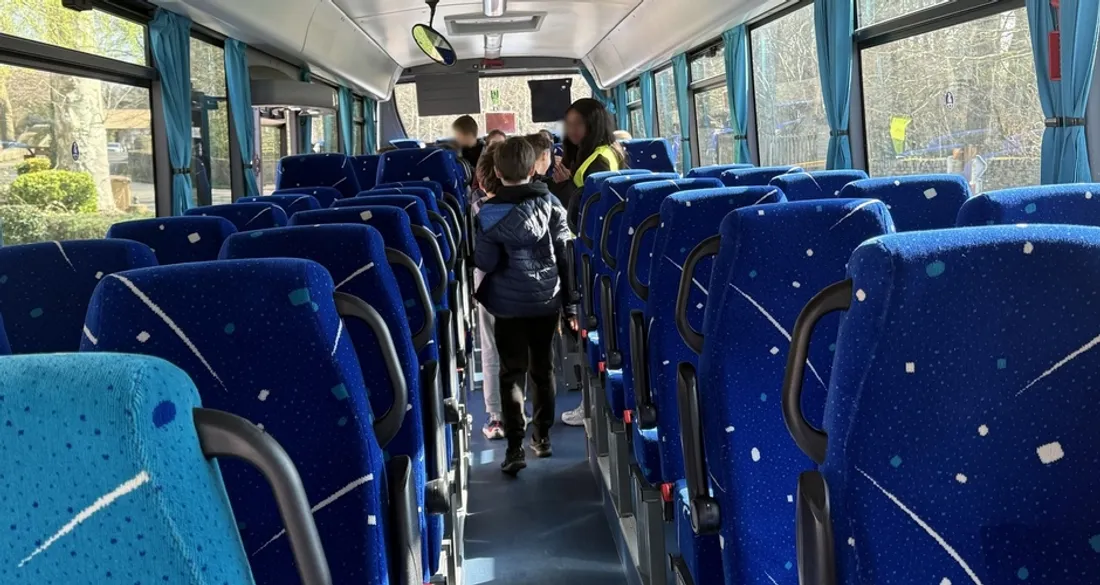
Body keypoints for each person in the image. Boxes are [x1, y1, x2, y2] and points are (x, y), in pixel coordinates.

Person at [475, 137, 575, 475]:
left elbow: (486, 263)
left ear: (497, 171)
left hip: (506, 305)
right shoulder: (551, 205)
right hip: (545, 300)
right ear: (533, 169)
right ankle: (542, 437)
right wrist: (570, 303)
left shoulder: (487, 214)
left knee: (511, 373)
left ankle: (515, 447)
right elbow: (564, 255)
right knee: (543, 368)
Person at [549, 98, 627, 232]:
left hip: (588, 235)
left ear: (594, 124)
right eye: (569, 123)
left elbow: (594, 209)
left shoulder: (599, 161)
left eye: (579, 123)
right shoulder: (602, 150)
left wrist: (564, 185)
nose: (572, 129)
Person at [472, 143, 507, 440]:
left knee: (491, 348)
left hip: (489, 285)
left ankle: (497, 417)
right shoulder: (537, 204)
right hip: (529, 284)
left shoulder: (479, 211)